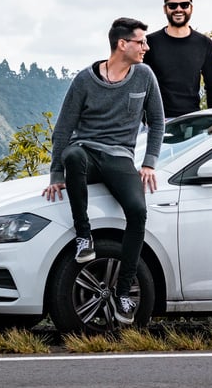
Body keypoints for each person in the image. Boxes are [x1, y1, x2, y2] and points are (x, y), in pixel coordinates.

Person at [43, 17, 165, 325]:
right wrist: (56, 175)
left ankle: (124, 292)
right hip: (86, 152)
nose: (146, 48)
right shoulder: (85, 80)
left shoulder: (145, 76)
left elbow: (158, 123)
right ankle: (84, 237)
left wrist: (149, 162)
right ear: (122, 44)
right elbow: (63, 129)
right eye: (142, 42)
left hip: (120, 158)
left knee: (137, 212)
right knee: (73, 154)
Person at [143, 0, 212, 119]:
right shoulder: (149, 43)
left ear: (191, 8)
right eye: (173, 6)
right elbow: (139, 85)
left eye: (184, 5)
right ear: (165, 9)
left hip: (192, 120)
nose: (178, 9)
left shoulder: (205, 44)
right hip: (157, 121)